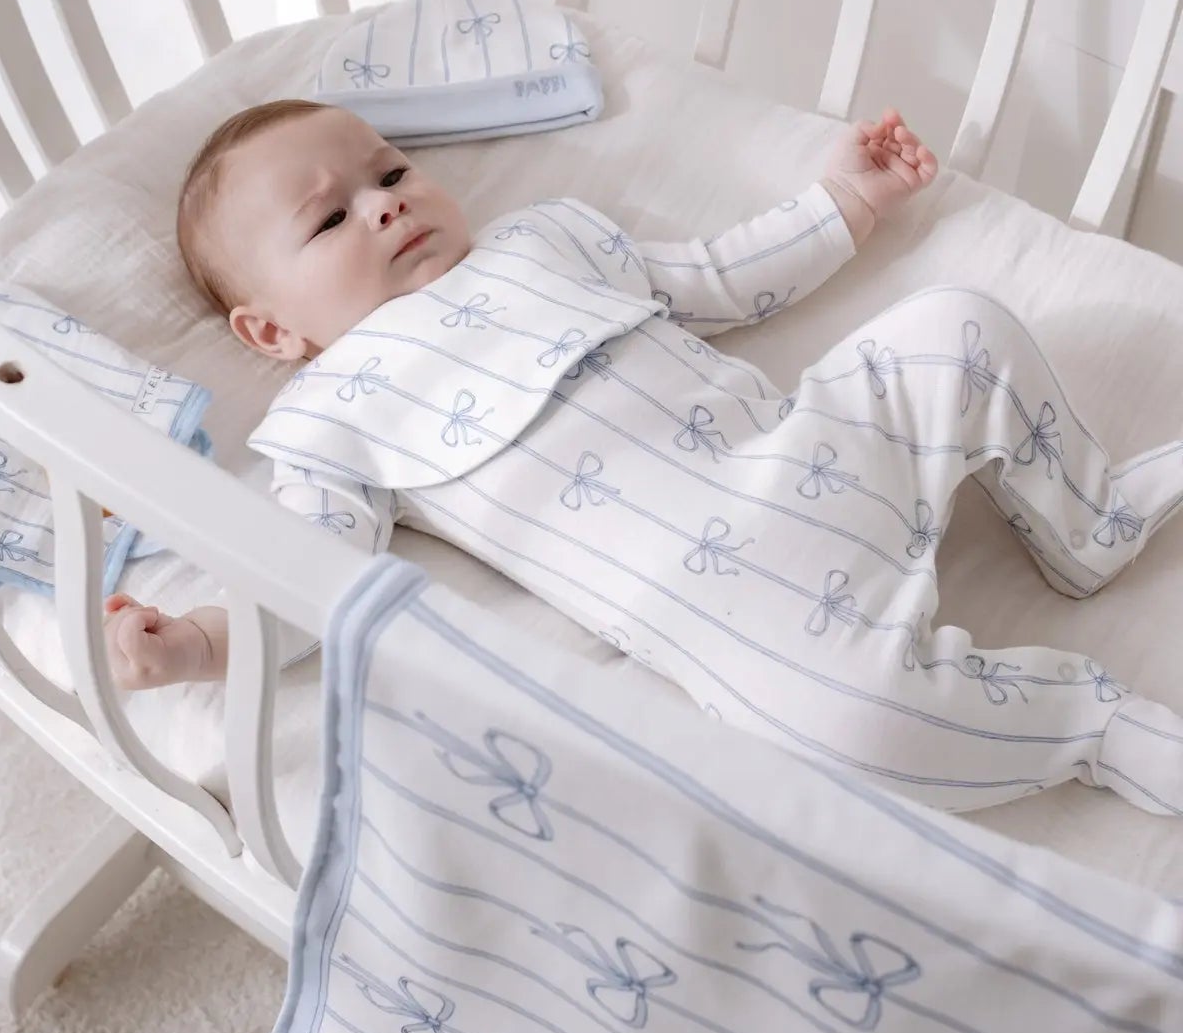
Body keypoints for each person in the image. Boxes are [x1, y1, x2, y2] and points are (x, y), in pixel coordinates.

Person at [102, 98, 1183, 817]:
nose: (384, 202)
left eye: (390, 170)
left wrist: (847, 200)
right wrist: (197, 642)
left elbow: (718, 277)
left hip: (808, 449)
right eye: (330, 220)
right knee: (853, 730)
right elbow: (306, 572)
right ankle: (1090, 727)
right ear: (271, 332)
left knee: (955, 325)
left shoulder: (542, 243)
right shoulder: (332, 411)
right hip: (737, 614)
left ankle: (1089, 522)